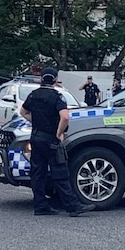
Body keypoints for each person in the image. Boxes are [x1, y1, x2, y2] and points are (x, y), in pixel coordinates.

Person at [20, 67, 95, 217]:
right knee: (60, 173)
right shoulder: (57, 96)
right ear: (55, 80)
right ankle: (73, 207)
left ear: (41, 79)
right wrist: (59, 132)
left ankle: (40, 206)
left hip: (36, 138)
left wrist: (39, 122)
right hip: (50, 139)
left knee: (38, 174)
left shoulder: (33, 95)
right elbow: (65, 117)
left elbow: (23, 112)